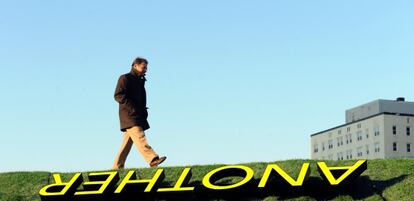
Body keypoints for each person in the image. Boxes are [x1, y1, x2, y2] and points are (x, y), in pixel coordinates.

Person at [112, 57, 166, 169]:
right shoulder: (125, 78)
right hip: (129, 115)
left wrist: (143, 112)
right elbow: (118, 95)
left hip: (137, 115)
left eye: (146, 67)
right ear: (135, 65)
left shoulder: (140, 81)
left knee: (127, 144)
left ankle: (117, 167)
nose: (146, 69)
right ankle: (152, 159)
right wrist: (132, 108)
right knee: (140, 136)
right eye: (144, 67)